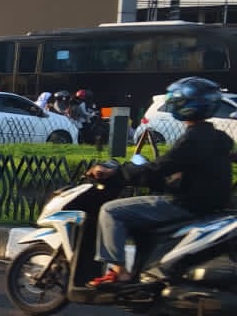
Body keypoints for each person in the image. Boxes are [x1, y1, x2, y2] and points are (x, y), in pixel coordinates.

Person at [87, 77, 233, 287]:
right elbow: (182, 169)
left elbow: (161, 166)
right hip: (209, 204)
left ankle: (120, 272)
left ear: (187, 106)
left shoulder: (193, 139)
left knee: (111, 211)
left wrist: (118, 174)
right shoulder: (217, 138)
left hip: (185, 204)